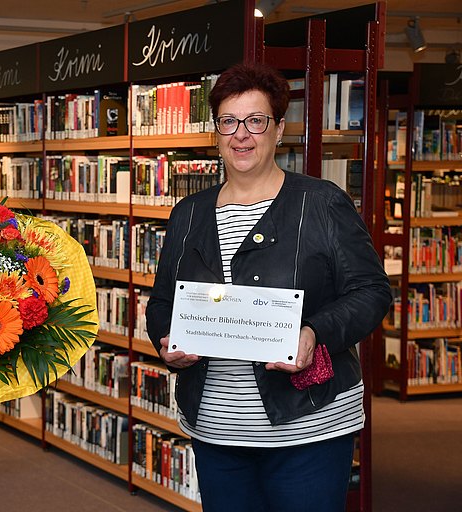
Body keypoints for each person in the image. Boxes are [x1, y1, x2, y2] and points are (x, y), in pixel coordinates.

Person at [146, 62, 391, 512]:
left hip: (308, 426)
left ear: (279, 130)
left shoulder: (320, 203)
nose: (242, 134)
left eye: (255, 121)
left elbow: (373, 291)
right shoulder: (189, 213)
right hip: (216, 428)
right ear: (216, 132)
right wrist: (166, 340)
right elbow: (163, 301)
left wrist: (313, 331)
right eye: (228, 121)